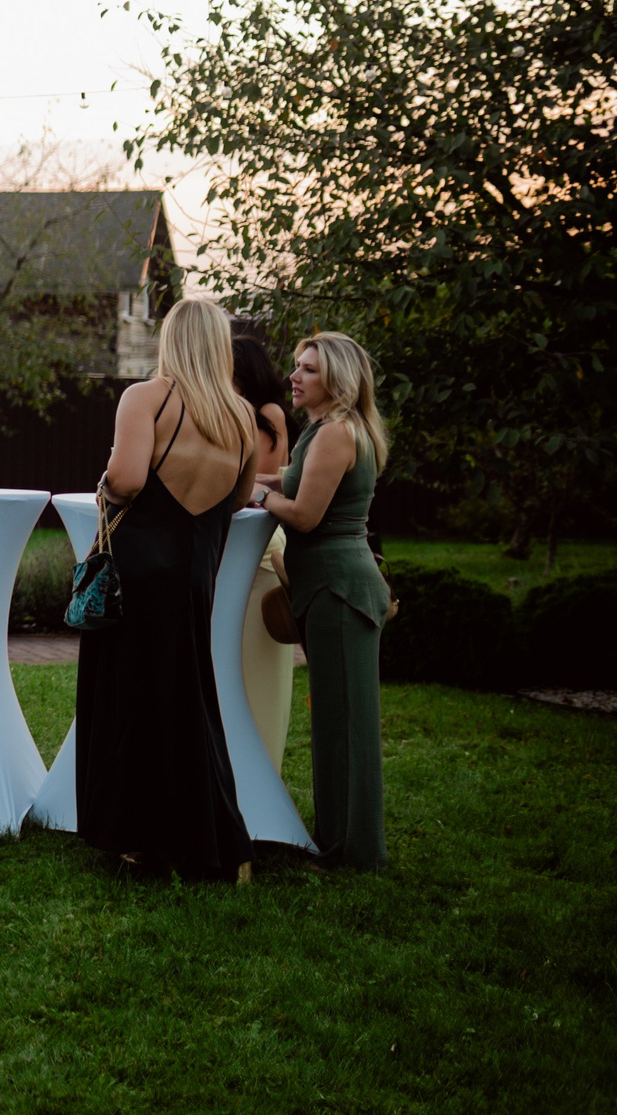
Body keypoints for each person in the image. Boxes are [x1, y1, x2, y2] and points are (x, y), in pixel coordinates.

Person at [75, 298, 256, 882]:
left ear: (172, 341)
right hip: (195, 575)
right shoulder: (241, 417)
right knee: (189, 699)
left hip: (140, 574)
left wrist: (105, 478)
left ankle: (140, 841)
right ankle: (211, 839)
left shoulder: (146, 398)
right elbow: (241, 495)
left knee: (133, 701)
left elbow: (127, 480)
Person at [253, 331, 390, 870]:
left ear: (335, 377)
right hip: (331, 588)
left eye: (307, 369)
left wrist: (261, 495)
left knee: (349, 724)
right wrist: (252, 479)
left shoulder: (335, 433)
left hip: (340, 589)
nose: (294, 376)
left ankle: (353, 852)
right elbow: (292, 478)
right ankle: (337, 839)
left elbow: (306, 515)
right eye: (296, 367)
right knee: (335, 721)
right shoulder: (325, 430)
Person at [229, 333, 295, 765]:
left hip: (261, 541)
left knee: (259, 663)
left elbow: (251, 478)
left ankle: (260, 764)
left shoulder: (266, 414)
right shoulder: (245, 413)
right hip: (239, 541)